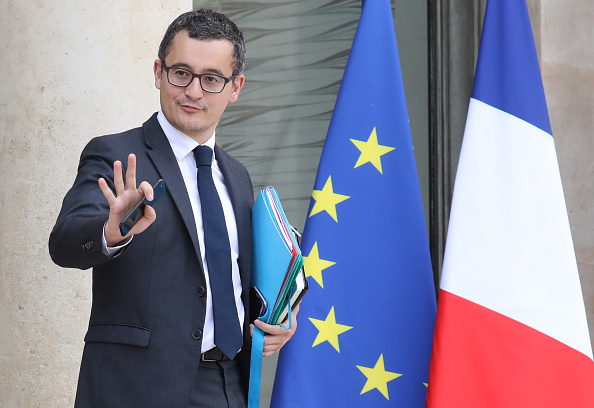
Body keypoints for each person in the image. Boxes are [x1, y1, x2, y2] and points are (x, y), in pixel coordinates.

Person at [49, 9, 298, 408]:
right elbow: (64, 242)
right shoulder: (115, 155)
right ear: (157, 73)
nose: (193, 92)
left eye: (211, 79)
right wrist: (112, 230)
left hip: (228, 386)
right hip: (135, 388)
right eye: (180, 72)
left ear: (236, 87)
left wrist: (276, 320)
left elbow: (230, 282)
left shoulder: (237, 177)